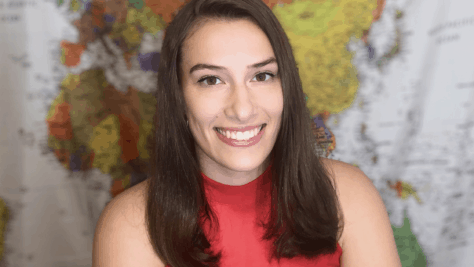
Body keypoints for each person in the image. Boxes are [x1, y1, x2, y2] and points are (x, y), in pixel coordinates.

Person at [92, 0, 402, 266]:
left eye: (262, 76)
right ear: (179, 99)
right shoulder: (129, 224)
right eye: (211, 80)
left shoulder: (348, 194)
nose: (242, 110)